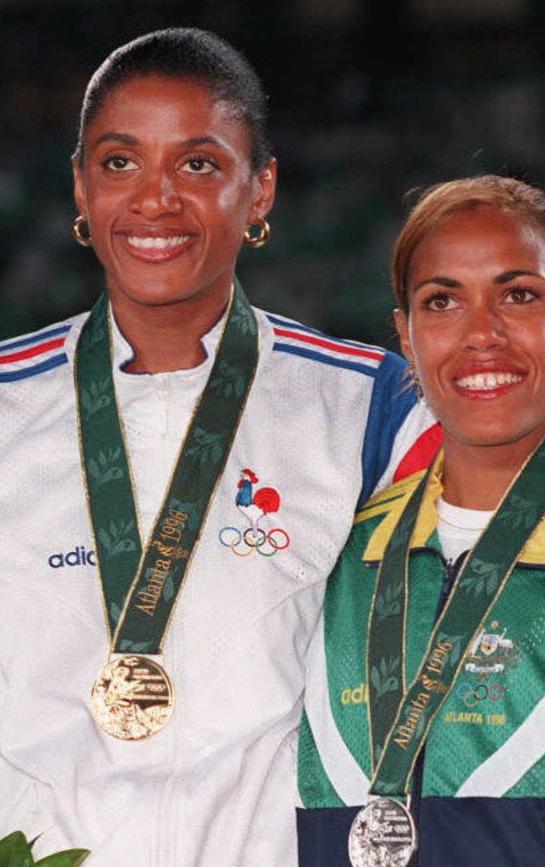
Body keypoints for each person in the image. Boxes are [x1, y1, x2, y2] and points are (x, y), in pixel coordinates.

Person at [0, 28, 435, 866]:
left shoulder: (370, 408)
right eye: (119, 163)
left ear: (260, 188)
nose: (154, 200)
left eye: (198, 165)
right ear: (81, 188)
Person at [297, 175, 545, 866]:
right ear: (406, 334)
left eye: (519, 295)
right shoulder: (328, 558)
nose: (481, 333)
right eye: (442, 301)